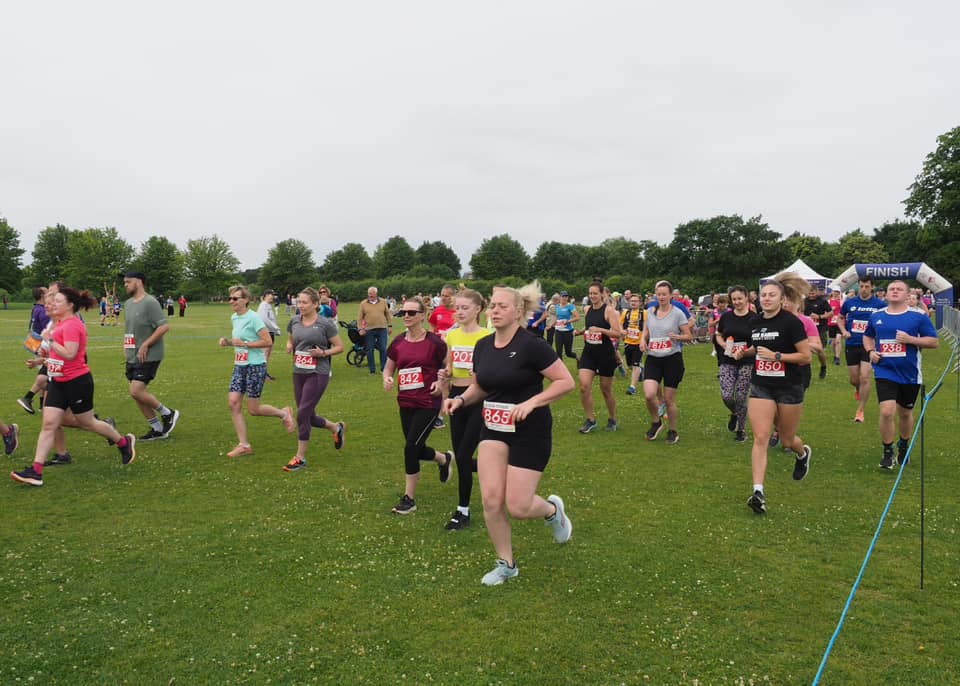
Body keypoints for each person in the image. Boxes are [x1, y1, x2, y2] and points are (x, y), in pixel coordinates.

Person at [443, 282, 575, 586]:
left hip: (530, 431)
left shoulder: (532, 345)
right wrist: (461, 399)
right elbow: (482, 385)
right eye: (493, 306)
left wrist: (531, 402)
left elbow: (564, 381)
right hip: (493, 427)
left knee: (518, 506)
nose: (496, 310)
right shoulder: (484, 346)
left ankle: (553, 511)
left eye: (503, 306)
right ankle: (507, 564)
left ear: (518, 312)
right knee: (491, 500)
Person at [11, 287, 136, 487]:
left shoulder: (72, 325)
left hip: (77, 382)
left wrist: (49, 340)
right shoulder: (59, 325)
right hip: (58, 383)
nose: (52, 304)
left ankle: (123, 442)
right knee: (49, 424)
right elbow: (59, 357)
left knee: (88, 423)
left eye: (58, 301)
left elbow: (70, 354)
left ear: (70, 305)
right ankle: (36, 471)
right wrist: (40, 361)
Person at [734, 273, 812, 514]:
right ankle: (758, 492)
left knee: (787, 440)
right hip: (761, 386)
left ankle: (803, 453)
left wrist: (778, 357)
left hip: (789, 386)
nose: (767, 299)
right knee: (761, 437)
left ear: (781, 299)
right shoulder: (755, 322)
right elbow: (759, 347)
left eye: (772, 295)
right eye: (764, 295)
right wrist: (745, 353)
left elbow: (805, 356)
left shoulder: (791, 322)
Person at [383, 297, 453, 514]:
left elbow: (448, 368)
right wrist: (386, 378)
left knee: (411, 448)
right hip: (406, 401)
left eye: (412, 313)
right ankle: (443, 458)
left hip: (428, 402)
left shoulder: (435, 343)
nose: (406, 316)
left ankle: (409, 499)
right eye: (404, 312)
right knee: (416, 447)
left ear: (423, 315)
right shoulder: (398, 342)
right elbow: (389, 368)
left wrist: (440, 383)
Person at [863, 280, 939, 469]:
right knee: (887, 411)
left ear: (907, 295)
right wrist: (871, 351)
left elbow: (934, 341)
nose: (895, 291)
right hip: (884, 371)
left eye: (899, 289)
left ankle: (903, 446)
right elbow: (868, 336)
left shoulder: (919, 316)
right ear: (886, 294)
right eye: (891, 289)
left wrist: (911, 339)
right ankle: (888, 452)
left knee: (905, 413)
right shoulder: (876, 316)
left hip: (910, 373)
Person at [437, 288, 492, 530]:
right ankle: (496, 469)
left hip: (479, 399)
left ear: (478, 310)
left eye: (464, 308)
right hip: (456, 398)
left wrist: (482, 373)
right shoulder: (452, 335)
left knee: (462, 456)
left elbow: (494, 372)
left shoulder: (488, 336)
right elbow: (450, 366)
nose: (458, 312)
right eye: (457, 308)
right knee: (462, 456)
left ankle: (463, 510)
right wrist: (445, 373)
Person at [219, 285, 295, 458]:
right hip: (240, 365)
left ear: (246, 300)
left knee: (254, 409)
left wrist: (245, 344)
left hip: (255, 365)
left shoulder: (254, 318)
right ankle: (244, 445)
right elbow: (240, 341)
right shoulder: (234, 317)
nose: (231, 301)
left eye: (235, 298)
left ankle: (284, 413)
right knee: (233, 403)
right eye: (230, 298)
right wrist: (228, 342)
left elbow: (267, 341)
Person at [282, 287, 346, 472]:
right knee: (309, 416)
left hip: (318, 372)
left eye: (304, 302)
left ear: (316, 304)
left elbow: (340, 347)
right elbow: (292, 338)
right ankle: (336, 427)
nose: (300, 305)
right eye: (299, 302)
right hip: (298, 371)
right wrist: (288, 344)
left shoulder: (325, 324)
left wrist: (323, 353)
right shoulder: (294, 320)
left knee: (302, 414)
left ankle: (300, 458)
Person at [122, 270, 180, 441]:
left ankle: (168, 413)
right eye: (124, 282)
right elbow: (129, 329)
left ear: (139, 282)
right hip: (133, 355)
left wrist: (146, 344)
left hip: (150, 355)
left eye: (128, 282)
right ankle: (157, 429)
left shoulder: (150, 302)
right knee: (137, 394)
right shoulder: (128, 304)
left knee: (136, 390)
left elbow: (163, 327)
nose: (125, 285)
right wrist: (126, 347)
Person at [641, 280, 694, 444]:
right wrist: (643, 340)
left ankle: (673, 430)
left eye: (664, 294)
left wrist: (678, 337)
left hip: (672, 359)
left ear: (671, 295)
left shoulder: (678, 313)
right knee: (650, 394)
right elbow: (646, 330)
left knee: (669, 400)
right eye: (659, 294)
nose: (661, 297)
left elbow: (689, 336)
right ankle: (656, 422)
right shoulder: (650, 311)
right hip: (653, 358)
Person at [575, 281, 623, 433]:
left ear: (602, 294)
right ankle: (591, 420)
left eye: (595, 293)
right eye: (590, 293)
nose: (592, 296)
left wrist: (601, 330)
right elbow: (590, 327)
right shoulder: (587, 308)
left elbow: (617, 333)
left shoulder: (609, 311)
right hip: (589, 352)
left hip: (605, 354)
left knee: (606, 389)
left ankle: (613, 418)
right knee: (584, 387)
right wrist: (580, 332)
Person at [838, 276, 886, 423]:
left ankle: (860, 410)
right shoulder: (850, 302)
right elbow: (840, 318)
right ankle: (857, 389)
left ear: (872, 287)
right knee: (854, 379)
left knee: (865, 377)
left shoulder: (879, 304)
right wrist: (843, 330)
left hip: (869, 346)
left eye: (866, 286)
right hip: (852, 344)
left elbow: (885, 321)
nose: (863, 289)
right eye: (861, 286)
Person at [716, 286, 756, 443]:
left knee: (740, 396)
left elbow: (758, 342)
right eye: (734, 299)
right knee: (726, 395)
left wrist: (745, 352)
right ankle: (734, 413)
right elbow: (718, 335)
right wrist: (724, 345)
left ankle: (741, 429)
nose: (737, 302)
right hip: (727, 360)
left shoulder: (755, 318)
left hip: (747, 361)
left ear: (746, 298)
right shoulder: (726, 317)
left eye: (740, 298)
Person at [17, 287, 51, 414]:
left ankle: (42, 405)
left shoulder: (36, 307)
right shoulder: (42, 311)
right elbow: (48, 331)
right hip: (40, 345)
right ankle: (29, 399)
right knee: (46, 374)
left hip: (33, 343)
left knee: (44, 373)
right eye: (47, 291)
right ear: (42, 295)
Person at [358, 286, 392, 375]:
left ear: (376, 294)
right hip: (369, 330)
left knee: (383, 349)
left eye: (372, 294)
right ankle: (372, 370)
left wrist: (390, 325)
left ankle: (383, 369)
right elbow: (359, 318)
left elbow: (388, 314)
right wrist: (360, 328)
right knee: (370, 350)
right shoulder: (363, 303)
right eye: (369, 294)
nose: (370, 296)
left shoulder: (383, 302)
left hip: (382, 328)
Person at [803, 287, 831, 380]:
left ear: (817, 292)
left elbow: (831, 313)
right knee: (806, 349)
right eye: (810, 293)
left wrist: (819, 316)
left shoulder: (822, 301)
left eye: (813, 293)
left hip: (820, 328)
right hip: (807, 329)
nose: (811, 295)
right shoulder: (803, 301)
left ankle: (823, 366)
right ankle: (806, 371)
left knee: (820, 351)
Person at [621, 293, 645, 396]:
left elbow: (647, 327)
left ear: (640, 303)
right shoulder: (626, 312)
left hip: (639, 343)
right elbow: (619, 323)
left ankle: (632, 388)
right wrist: (622, 331)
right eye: (632, 301)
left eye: (635, 301)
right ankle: (640, 369)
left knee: (635, 365)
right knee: (630, 365)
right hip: (628, 342)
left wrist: (644, 340)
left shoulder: (644, 313)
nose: (633, 303)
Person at [257, 289, 281, 380]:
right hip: (266, 332)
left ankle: (263, 373)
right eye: (272, 294)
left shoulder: (267, 305)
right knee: (265, 353)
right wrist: (276, 328)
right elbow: (264, 319)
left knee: (267, 354)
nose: (274, 297)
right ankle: (262, 374)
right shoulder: (264, 305)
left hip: (269, 332)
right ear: (266, 295)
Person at [553, 291, 580, 362]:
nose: (564, 298)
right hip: (558, 331)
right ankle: (560, 370)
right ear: (560, 297)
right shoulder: (557, 306)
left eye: (566, 296)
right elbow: (556, 317)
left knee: (568, 353)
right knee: (558, 351)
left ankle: (578, 358)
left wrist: (568, 321)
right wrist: (554, 323)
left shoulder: (570, 306)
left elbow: (577, 317)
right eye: (563, 296)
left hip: (568, 331)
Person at [827, 290, 843, 364]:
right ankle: (835, 355)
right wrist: (830, 310)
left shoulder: (841, 301)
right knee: (833, 342)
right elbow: (825, 312)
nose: (836, 293)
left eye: (837, 292)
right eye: (835, 292)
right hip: (831, 324)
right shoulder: (828, 301)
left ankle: (837, 357)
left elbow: (844, 310)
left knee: (838, 340)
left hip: (840, 323)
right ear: (832, 292)